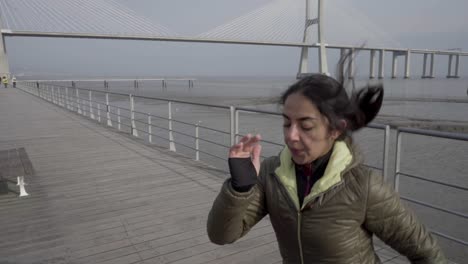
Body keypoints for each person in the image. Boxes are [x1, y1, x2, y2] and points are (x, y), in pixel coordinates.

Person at [207, 61, 446, 263]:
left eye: (306, 125)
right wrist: (240, 188)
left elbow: (426, 253)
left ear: (336, 129)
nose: (291, 135)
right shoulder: (272, 174)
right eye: (287, 122)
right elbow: (221, 235)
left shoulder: (363, 186)